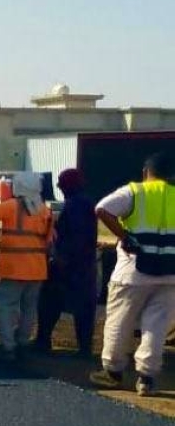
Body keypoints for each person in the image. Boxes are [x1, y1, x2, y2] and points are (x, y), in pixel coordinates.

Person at [90, 152, 175, 396]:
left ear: (146, 172)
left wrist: (124, 236)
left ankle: (112, 372)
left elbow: (102, 209)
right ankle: (147, 378)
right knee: (157, 326)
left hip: (133, 271)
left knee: (120, 320)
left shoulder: (135, 192)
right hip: (170, 272)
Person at [0, 173, 54, 358]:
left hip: (14, 267)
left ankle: (8, 346)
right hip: (37, 269)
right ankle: (22, 341)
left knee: (5, 305)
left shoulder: (12, 206)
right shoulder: (45, 210)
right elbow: (50, 241)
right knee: (29, 308)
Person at [33, 168, 99, 356]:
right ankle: (84, 348)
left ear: (68, 186)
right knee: (83, 307)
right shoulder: (84, 203)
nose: (60, 188)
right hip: (84, 263)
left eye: (61, 185)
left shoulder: (75, 206)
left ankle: (43, 341)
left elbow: (76, 236)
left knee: (49, 300)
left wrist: (61, 258)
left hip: (70, 264)